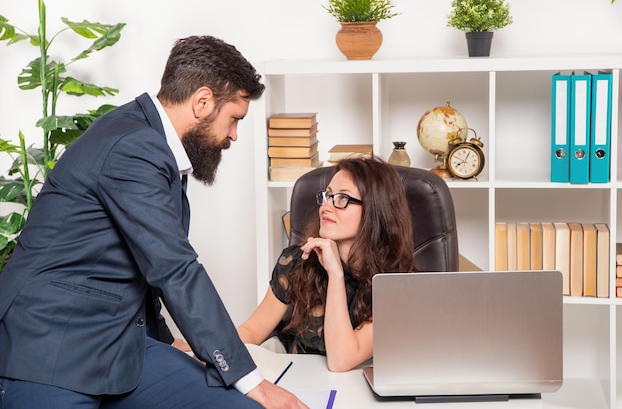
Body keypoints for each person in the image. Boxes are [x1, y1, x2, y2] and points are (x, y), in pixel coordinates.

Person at [0, 35, 307, 409]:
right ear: (203, 101)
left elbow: (139, 265)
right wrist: (253, 380)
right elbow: (174, 268)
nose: (234, 135)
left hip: (118, 347)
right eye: (234, 119)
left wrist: (168, 343)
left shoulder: (153, 145)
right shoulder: (135, 145)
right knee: (255, 394)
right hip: (52, 350)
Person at [238, 156, 416, 372]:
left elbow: (341, 361)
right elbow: (252, 331)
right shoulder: (296, 261)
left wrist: (335, 274)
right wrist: (202, 352)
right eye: (328, 195)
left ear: (376, 211)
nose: (326, 207)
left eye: (343, 199)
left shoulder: (396, 284)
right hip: (299, 386)